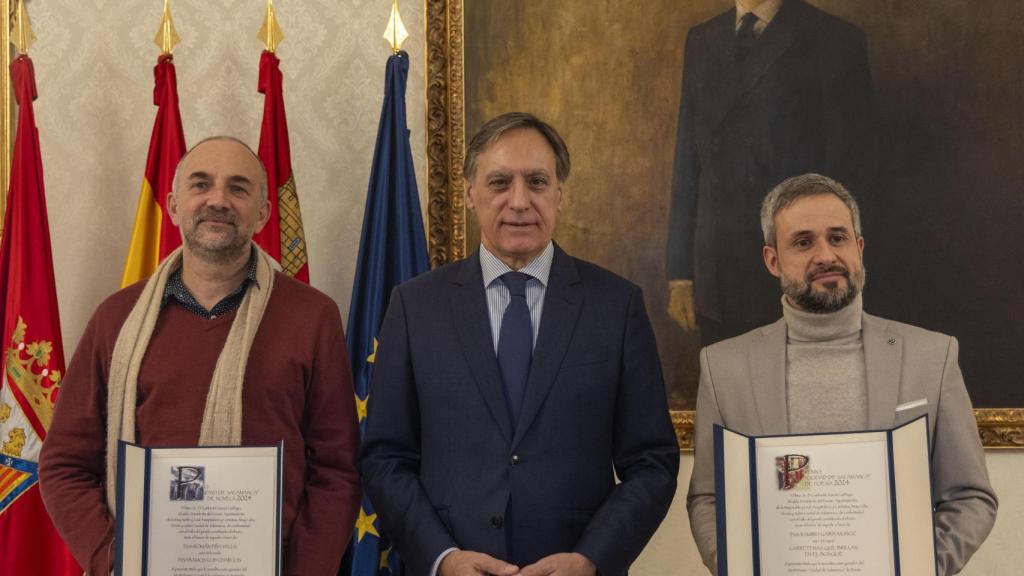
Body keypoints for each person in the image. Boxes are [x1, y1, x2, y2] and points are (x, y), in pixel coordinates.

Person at [360, 113, 679, 576]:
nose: (519, 201)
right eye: (499, 182)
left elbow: (652, 462)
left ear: (559, 194)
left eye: (536, 182)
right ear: (470, 193)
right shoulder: (415, 306)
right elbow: (385, 457)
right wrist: (441, 558)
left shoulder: (616, 305)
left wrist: (592, 558)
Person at [39, 136, 361, 575]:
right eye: (201, 185)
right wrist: (114, 561)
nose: (218, 200)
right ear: (173, 206)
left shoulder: (313, 316)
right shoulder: (116, 319)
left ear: (263, 213)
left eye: (239, 188)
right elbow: (64, 465)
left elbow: (336, 470)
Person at [687, 173, 997, 575]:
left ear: (859, 248)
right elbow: (707, 498)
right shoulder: (722, 367)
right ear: (772, 260)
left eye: (838, 237)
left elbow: (970, 497)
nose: (825, 255)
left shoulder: (932, 356)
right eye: (803, 242)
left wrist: (916, 569)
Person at [667, 0, 878, 345]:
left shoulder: (834, 39)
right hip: (716, 277)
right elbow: (687, 163)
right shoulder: (702, 38)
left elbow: (852, 175)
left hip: (797, 270)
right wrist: (680, 276)